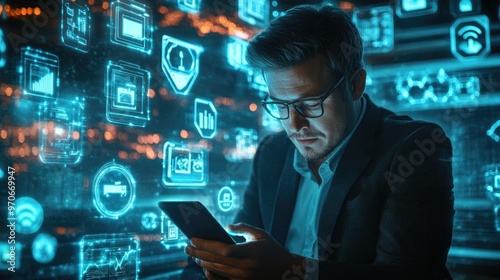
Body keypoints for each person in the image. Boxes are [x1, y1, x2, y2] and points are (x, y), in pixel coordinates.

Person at [182, 3, 454, 279]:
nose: (294, 125)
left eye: (311, 104)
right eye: (280, 105)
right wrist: (217, 266)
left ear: (355, 85)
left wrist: (294, 271)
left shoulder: (416, 148)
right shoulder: (272, 152)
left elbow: (410, 275)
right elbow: (241, 245)